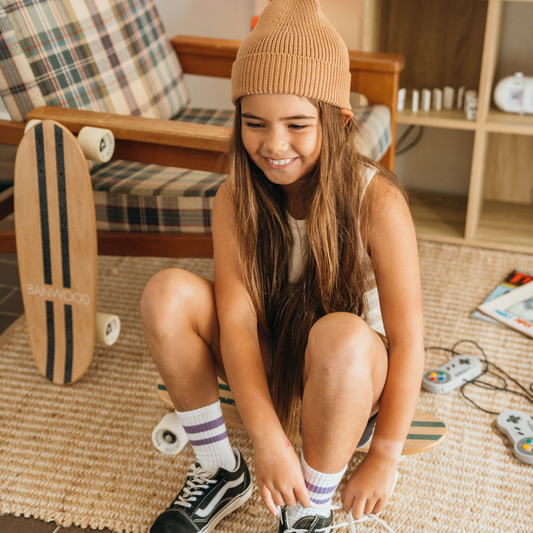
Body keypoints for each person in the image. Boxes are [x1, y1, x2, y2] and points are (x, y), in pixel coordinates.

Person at [141, 0, 425, 531]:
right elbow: (239, 320)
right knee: (166, 293)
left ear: (337, 121)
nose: (273, 146)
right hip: (276, 361)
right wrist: (267, 438)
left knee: (342, 337)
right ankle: (222, 469)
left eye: (297, 124)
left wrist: (385, 454)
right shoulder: (234, 198)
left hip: (348, 380)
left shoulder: (378, 202)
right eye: (255, 123)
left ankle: (310, 505)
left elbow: (408, 341)